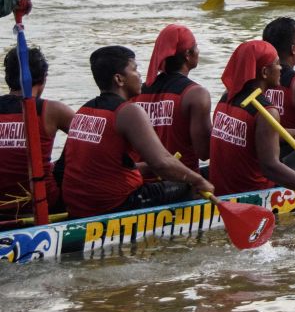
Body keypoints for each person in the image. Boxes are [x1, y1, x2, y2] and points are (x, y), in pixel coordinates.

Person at [58, 46, 212, 219]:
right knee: (201, 179)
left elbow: (66, 166)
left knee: (189, 174)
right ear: (119, 79)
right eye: (135, 69)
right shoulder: (128, 112)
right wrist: (198, 181)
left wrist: (147, 168)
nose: (140, 75)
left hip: (80, 204)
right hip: (118, 204)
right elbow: (162, 163)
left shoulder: (83, 110)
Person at [208, 41, 295, 197]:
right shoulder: (266, 111)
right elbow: (270, 167)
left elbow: (266, 134)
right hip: (255, 192)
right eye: (277, 64)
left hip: (224, 187)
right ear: (265, 72)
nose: (281, 68)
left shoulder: (227, 98)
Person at [1, 45, 72, 217]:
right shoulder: (52, 110)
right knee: (78, 145)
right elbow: (90, 138)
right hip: (42, 201)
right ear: (44, 78)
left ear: (8, 78)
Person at [134, 24, 211, 173]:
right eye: (196, 47)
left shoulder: (136, 92)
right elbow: (205, 152)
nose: (198, 51)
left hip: (140, 180)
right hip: (182, 181)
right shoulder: (196, 94)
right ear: (188, 54)